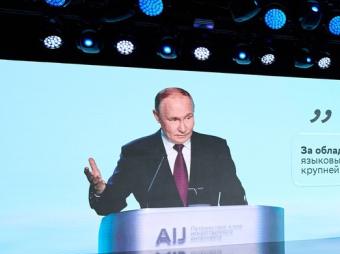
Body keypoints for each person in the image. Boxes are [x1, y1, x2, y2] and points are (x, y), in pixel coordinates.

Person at [84, 87, 247, 215]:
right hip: (156, 242)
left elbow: (236, 201)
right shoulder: (136, 153)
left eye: (188, 117)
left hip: (207, 240)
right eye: (174, 119)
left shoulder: (215, 148)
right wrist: (100, 191)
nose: (183, 128)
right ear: (157, 116)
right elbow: (108, 207)